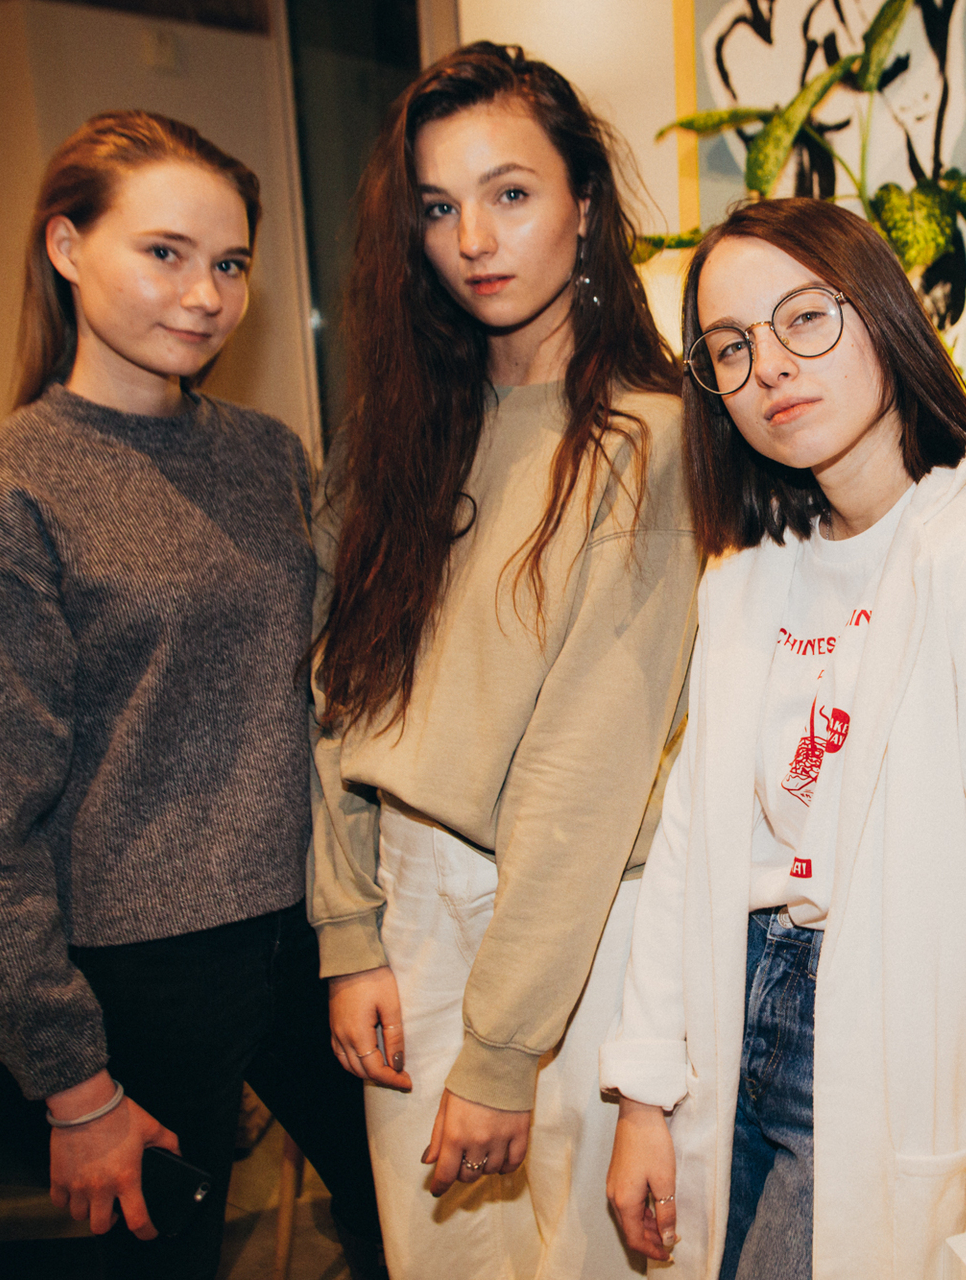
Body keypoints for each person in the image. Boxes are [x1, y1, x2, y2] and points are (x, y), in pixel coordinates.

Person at [601, 197, 966, 1280]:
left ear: (881, 315)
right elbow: (689, 839)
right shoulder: (747, 572)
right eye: (730, 347)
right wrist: (644, 1092)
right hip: (729, 1002)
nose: (770, 367)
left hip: (870, 1030)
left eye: (804, 318)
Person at [0, 111, 385, 1279]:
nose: (206, 295)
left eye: (231, 263)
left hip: (309, 931)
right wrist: (74, 1085)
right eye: (165, 253)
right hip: (138, 978)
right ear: (66, 246)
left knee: (407, 1222)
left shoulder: (268, 453)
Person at [308, 43, 697, 1280]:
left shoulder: (649, 438)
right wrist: (350, 929)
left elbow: (587, 764)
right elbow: (337, 691)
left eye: (510, 192)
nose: (473, 238)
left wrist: (500, 1046)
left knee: (584, 1261)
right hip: (408, 898)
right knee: (435, 1261)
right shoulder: (399, 431)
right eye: (439, 207)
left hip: (566, 918)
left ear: (584, 203)